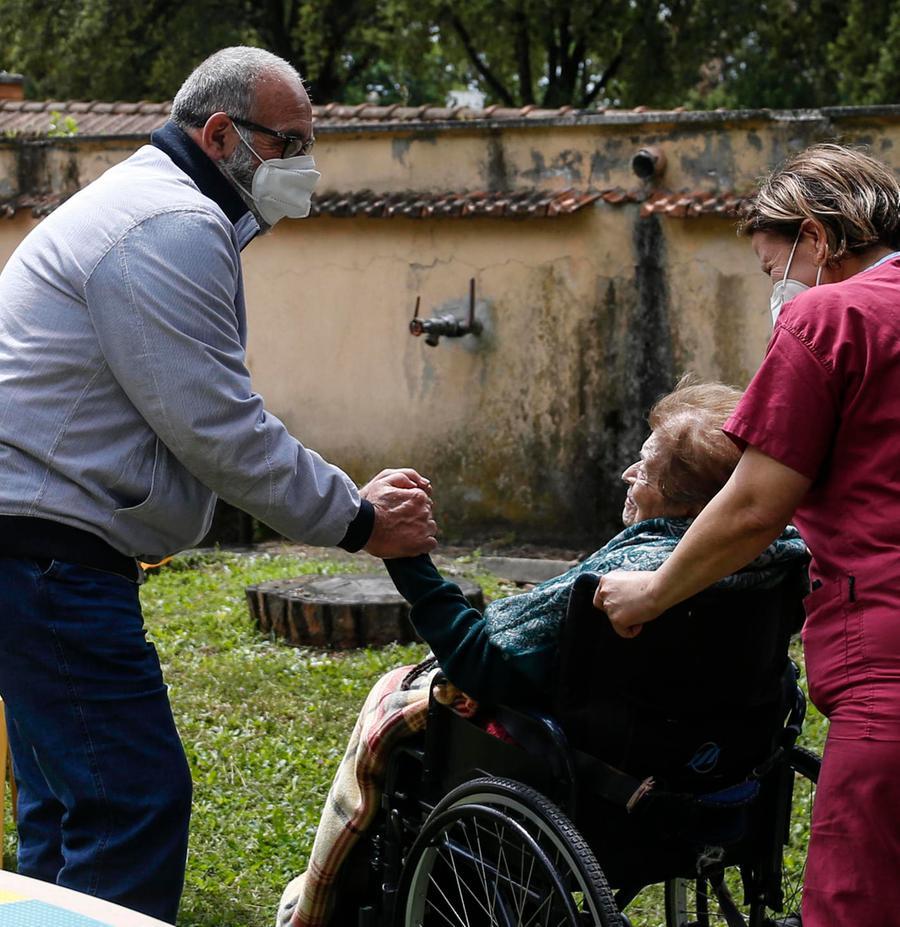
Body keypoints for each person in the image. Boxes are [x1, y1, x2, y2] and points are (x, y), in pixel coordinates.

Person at [0, 47, 435, 922]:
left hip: (34, 548)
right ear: (222, 134)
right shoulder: (168, 225)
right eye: (293, 143)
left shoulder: (158, 208)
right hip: (46, 557)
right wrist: (357, 518)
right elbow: (218, 430)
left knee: (69, 813)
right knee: (130, 802)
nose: (305, 168)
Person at [276, 379, 808, 927]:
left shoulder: (627, 581)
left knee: (394, 694)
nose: (628, 473)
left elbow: (482, 663)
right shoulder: (779, 556)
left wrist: (407, 557)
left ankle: (314, 906)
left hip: (606, 781)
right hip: (725, 776)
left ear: (691, 502)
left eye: (645, 468)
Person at [594, 143, 900, 927]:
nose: (778, 287)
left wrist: (654, 592)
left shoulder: (829, 317)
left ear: (815, 238)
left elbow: (758, 502)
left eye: (773, 268)